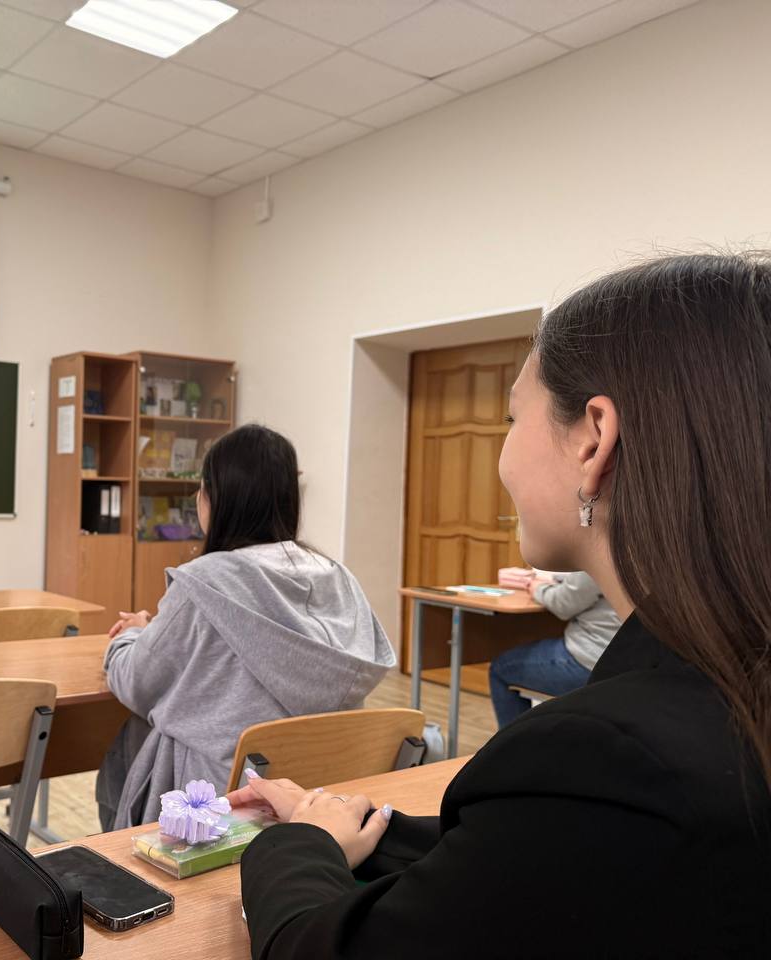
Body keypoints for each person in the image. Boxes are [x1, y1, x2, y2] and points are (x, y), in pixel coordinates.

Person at [234, 253, 771, 957]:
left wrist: (296, 844)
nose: (503, 457)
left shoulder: (607, 757)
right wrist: (350, 822)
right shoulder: (725, 703)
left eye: (514, 417)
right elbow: (533, 861)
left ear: (594, 439)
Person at [95, 424, 395, 831]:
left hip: (221, 806)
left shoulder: (204, 583)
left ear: (213, 498)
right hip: (324, 801)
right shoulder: (339, 577)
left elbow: (135, 681)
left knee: (122, 753)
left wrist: (135, 633)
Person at [488, 570, 621, 726]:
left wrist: (536, 587)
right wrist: (555, 578)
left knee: (501, 669)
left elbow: (562, 603)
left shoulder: (602, 557)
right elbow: (584, 582)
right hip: (634, 663)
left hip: (594, 662)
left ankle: (516, 742)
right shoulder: (639, 557)